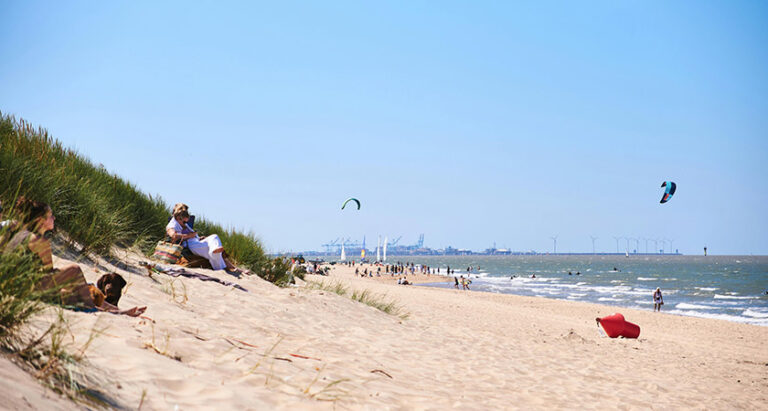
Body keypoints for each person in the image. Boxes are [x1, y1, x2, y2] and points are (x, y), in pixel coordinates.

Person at [3, 199, 145, 316]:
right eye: (51, 215)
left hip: (11, 284)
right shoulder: (39, 241)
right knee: (74, 269)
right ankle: (96, 309)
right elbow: (48, 273)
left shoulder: (19, 231)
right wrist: (71, 277)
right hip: (26, 287)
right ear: (41, 220)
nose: (54, 218)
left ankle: (117, 310)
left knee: (72, 294)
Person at [166, 208, 242, 274]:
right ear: (178, 218)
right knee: (213, 250)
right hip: (191, 245)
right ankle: (227, 265)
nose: (185, 224)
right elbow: (174, 236)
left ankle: (219, 267)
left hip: (197, 242)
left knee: (214, 238)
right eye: (184, 222)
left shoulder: (183, 225)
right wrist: (190, 236)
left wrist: (198, 238)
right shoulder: (172, 225)